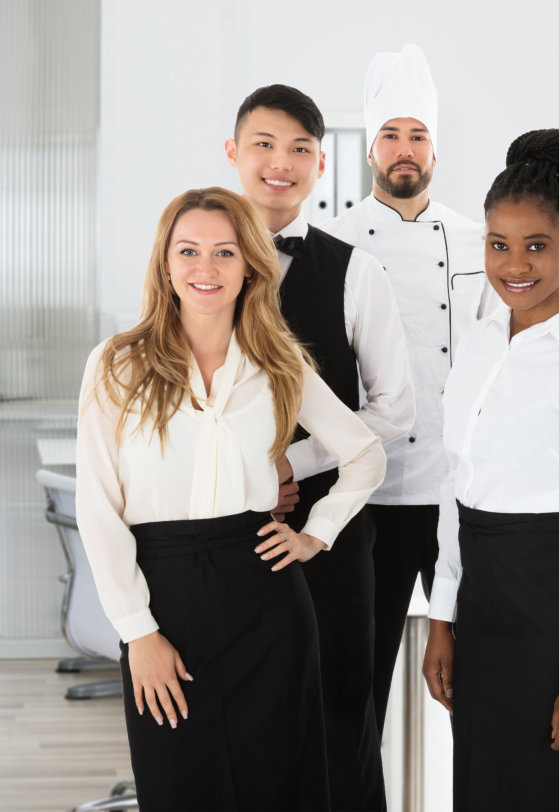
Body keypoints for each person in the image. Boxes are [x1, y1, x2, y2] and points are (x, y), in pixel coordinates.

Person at [75, 187, 386, 810]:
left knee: (278, 787)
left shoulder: (279, 365)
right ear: (166, 263)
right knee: (179, 784)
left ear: (250, 266)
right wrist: (139, 633)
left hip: (265, 601)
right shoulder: (117, 364)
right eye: (188, 251)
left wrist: (314, 533)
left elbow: (365, 454)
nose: (205, 268)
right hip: (165, 597)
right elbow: (98, 508)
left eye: (224, 252)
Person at [421, 129, 559, 811]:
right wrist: (440, 620)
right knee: (488, 786)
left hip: (554, 617)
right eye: (498, 244)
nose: (515, 264)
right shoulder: (480, 346)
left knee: (558, 788)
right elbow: (456, 491)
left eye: (536, 246)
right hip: (481, 612)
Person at [225, 83, 415, 810]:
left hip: (329, 532)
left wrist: (293, 465)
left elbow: (394, 410)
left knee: (339, 710)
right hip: (215, 531)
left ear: (321, 165)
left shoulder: (356, 270)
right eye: (265, 145)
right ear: (234, 155)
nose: (282, 163)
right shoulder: (197, 263)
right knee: (238, 714)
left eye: (301, 149)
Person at [321, 45, 494, 733]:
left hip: (458, 490)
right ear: (370, 148)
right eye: (391, 135)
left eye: (417, 136)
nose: (405, 150)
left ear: (433, 147)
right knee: (358, 683)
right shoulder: (333, 245)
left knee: (480, 676)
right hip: (373, 494)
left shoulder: (478, 241)